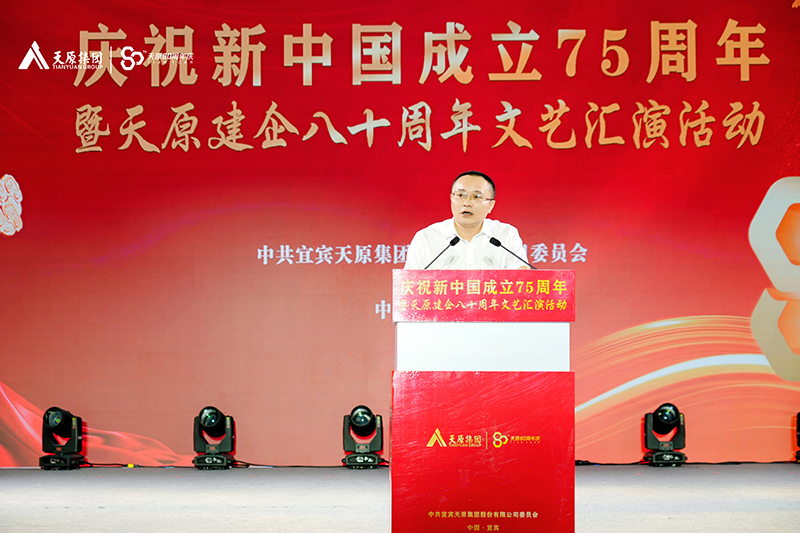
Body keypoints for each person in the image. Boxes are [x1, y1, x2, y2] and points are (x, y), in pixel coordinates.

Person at [404, 171, 529, 269]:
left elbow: (521, 279)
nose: (467, 203)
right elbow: (410, 285)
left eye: (477, 197)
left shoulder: (505, 235)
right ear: (451, 199)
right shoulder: (426, 238)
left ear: (490, 205)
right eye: (460, 195)